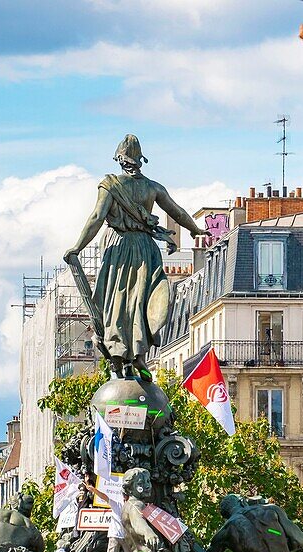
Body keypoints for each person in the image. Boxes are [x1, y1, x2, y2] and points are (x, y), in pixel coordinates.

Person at [64, 134, 208, 380]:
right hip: (145, 248)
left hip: (118, 247)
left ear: (120, 159)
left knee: (117, 302)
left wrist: (77, 246)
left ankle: (118, 354)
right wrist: (196, 230)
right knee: (140, 302)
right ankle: (139, 355)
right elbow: (177, 212)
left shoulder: (109, 185)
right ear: (140, 160)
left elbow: (97, 217)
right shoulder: (152, 187)